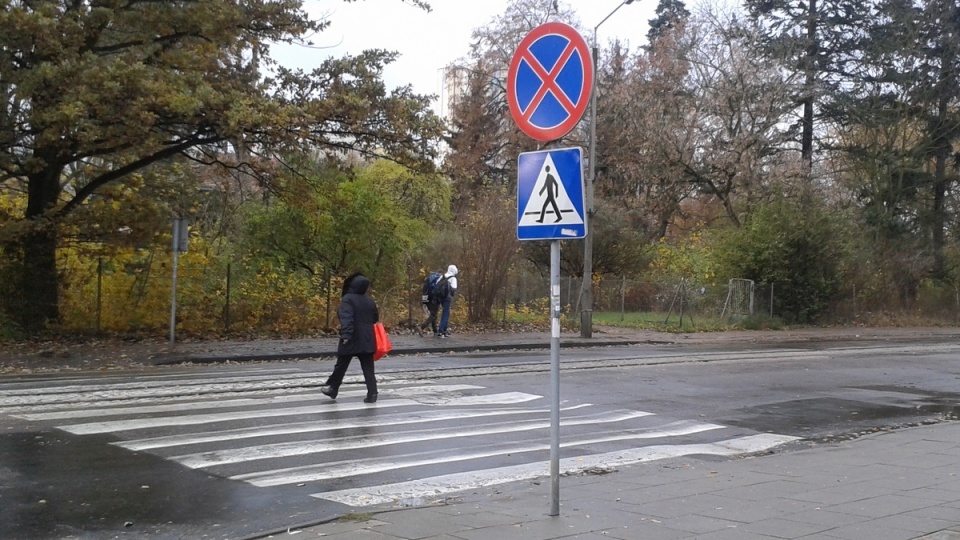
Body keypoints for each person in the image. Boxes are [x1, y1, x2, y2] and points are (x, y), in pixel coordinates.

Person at [321, 272, 379, 403]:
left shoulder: (347, 299)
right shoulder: (369, 300)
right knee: (368, 368)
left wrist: (346, 335)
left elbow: (347, 318)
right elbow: (375, 318)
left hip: (352, 337)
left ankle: (333, 388)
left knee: (341, 364)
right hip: (367, 338)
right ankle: (373, 393)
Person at [419, 269, 443, 337]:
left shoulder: (430, 278)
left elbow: (424, 289)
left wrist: (424, 299)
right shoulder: (439, 279)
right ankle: (422, 327)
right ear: (441, 273)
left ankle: (435, 330)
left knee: (433, 314)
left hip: (426, 298)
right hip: (434, 299)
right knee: (433, 315)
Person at [437, 264, 458, 338]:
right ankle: (441, 330)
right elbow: (454, 288)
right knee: (446, 313)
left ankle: (444, 330)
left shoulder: (443, 276)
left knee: (445, 312)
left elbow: (437, 284)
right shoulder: (453, 278)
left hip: (440, 297)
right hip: (447, 298)